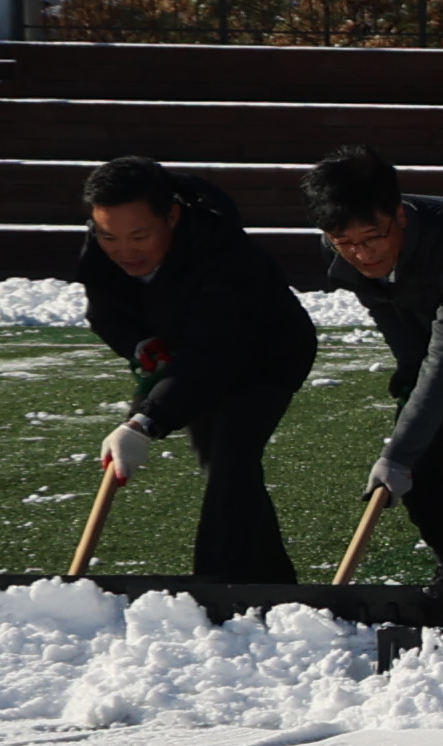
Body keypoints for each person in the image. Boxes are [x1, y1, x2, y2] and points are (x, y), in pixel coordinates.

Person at [73, 152, 316, 589]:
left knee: (232, 454)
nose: (123, 251)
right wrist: (141, 344)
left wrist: (144, 422)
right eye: (109, 236)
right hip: (189, 352)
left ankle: (215, 588)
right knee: (222, 466)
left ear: (173, 215)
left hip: (267, 355)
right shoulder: (102, 244)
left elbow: (215, 354)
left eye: (139, 236)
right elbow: (106, 311)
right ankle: (273, 585)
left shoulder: (225, 254)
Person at [305, 146, 443, 606]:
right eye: (344, 242)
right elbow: (392, 316)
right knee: (418, 461)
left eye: (371, 237)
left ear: (398, 215)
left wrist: (399, 452)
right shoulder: (343, 246)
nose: (360, 253)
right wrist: (409, 380)